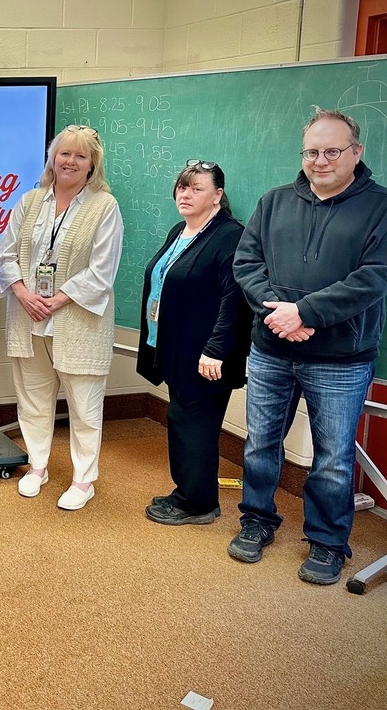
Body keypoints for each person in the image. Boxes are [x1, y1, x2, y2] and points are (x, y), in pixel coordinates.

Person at [230, 107, 387, 585]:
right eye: (312, 152)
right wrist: (280, 314)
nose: (320, 160)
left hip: (341, 359)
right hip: (272, 349)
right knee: (260, 444)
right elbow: (246, 262)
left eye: (332, 151)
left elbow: (374, 277)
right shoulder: (274, 201)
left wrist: (305, 314)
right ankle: (257, 521)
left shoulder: (381, 206)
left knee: (333, 458)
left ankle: (327, 543)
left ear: (356, 153)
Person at [0, 125, 124, 510]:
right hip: (27, 315)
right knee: (32, 397)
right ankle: (38, 466)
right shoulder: (30, 201)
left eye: (80, 156)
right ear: (52, 158)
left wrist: (58, 300)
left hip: (79, 321)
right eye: (64, 153)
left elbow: (103, 270)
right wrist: (21, 292)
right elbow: (5, 255)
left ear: (91, 165)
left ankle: (84, 480)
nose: (70, 161)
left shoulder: (104, 206)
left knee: (84, 404)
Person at [136, 161, 252, 525]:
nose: (185, 195)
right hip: (174, 347)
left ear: (218, 195)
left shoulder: (230, 236)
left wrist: (216, 349)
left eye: (196, 188)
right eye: (182, 188)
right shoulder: (180, 230)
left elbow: (235, 300)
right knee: (183, 419)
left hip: (206, 355)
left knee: (195, 424)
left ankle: (198, 503)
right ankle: (187, 492)